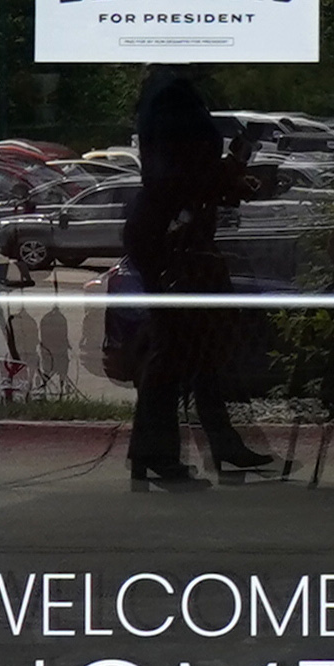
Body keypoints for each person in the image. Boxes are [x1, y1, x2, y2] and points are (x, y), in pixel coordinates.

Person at [117, 74, 288, 489]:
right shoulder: (173, 95)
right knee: (177, 346)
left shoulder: (167, 93)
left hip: (170, 232)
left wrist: (227, 177)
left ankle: (212, 446)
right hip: (173, 237)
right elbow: (178, 173)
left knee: (194, 344)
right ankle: (160, 453)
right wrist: (227, 174)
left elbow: (179, 171)